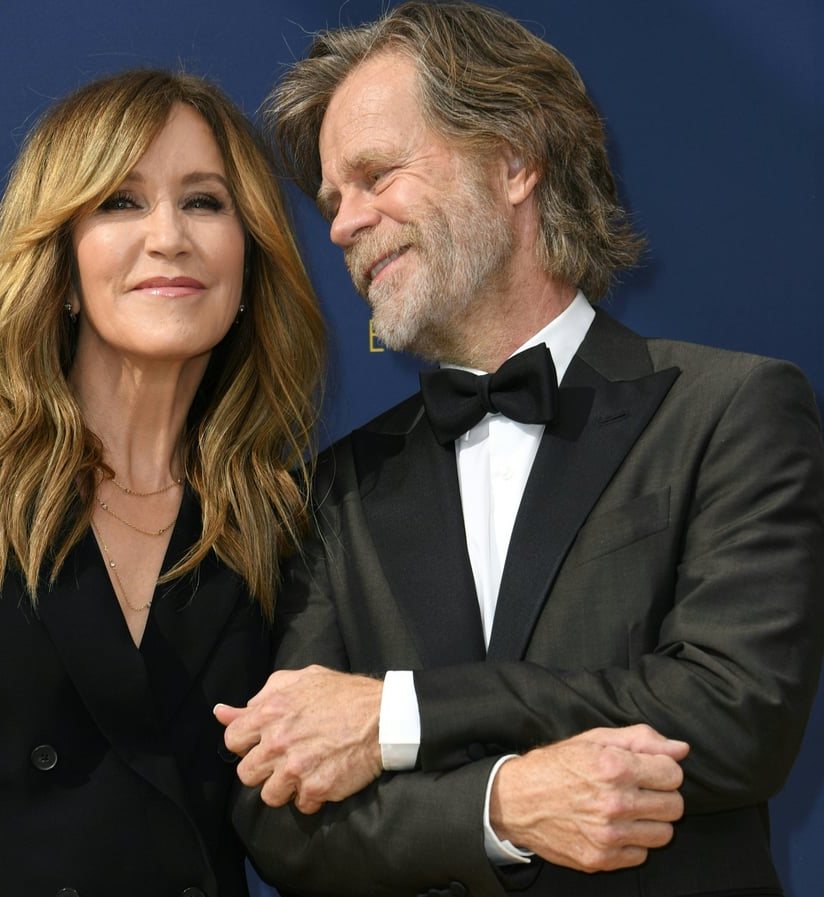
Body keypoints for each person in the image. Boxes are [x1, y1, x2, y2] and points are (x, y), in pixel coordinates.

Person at [215, 3, 824, 896]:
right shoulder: (335, 490)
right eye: (333, 201)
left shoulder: (730, 410)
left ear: (515, 160)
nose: (344, 225)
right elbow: (282, 814)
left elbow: (735, 716)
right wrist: (500, 805)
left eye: (376, 176)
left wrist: (397, 714)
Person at [0, 68, 324, 897]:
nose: (168, 237)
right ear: (62, 259)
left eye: (204, 201)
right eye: (120, 201)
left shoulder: (282, 521)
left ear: (250, 256)